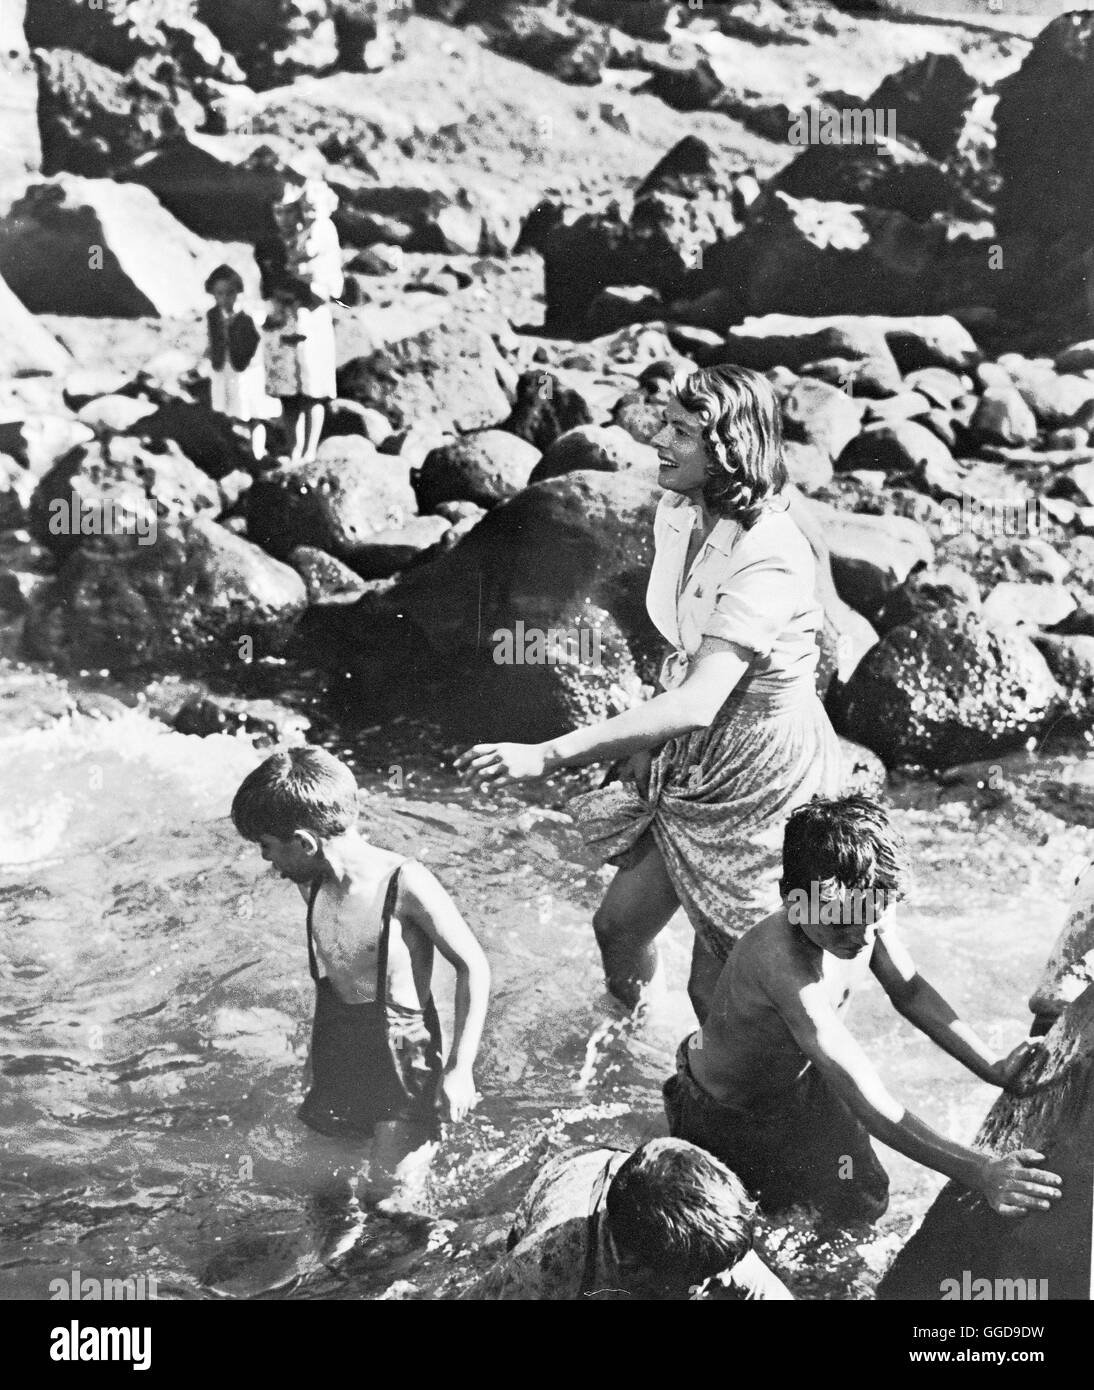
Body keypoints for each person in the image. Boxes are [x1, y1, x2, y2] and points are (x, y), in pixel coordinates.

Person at [456, 364, 843, 1021]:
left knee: (729, 983)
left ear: (729, 449)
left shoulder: (770, 550)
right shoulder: (676, 509)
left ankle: (755, 1097)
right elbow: (683, 651)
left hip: (758, 771)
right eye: (664, 423)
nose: (658, 439)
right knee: (620, 928)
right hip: (691, 752)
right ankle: (636, 1042)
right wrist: (646, 747)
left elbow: (699, 701)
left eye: (682, 431)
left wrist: (548, 754)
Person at [664, 794, 1065, 1226]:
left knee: (861, 1195)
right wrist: (981, 1171)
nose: (859, 940)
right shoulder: (781, 964)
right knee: (751, 1220)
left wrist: (993, 1067)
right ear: (791, 898)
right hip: (725, 1112)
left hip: (803, 1082)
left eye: (873, 923)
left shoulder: (860, 908)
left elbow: (909, 991)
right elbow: (869, 1101)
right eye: (840, 926)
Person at [230, 746, 490, 1202]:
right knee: (327, 1194)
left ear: (305, 842)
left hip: (401, 1054)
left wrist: (460, 1069)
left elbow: (473, 966)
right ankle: (331, 1268)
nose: (266, 860)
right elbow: (336, 970)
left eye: (267, 847)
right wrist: (315, 1061)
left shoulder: (404, 883)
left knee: (388, 1199)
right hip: (338, 1044)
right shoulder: (314, 884)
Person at [465, 1137, 793, 1300]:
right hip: (565, 1191)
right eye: (699, 1281)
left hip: (635, 1188)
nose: (709, 1287)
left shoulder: (707, 1236)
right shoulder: (545, 1264)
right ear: (633, 1265)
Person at [263, 273, 337, 463]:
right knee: (289, 400)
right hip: (288, 342)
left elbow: (328, 292)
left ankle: (310, 450)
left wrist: (305, 281)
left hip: (313, 336)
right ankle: (294, 448)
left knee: (313, 397)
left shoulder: (321, 268)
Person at [204, 264, 267, 462]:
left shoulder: (249, 315)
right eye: (219, 294)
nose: (224, 299)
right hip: (225, 368)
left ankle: (257, 451)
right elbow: (212, 339)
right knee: (230, 405)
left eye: (230, 293)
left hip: (247, 369)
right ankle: (238, 449)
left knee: (253, 410)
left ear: (239, 292)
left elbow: (258, 340)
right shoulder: (213, 315)